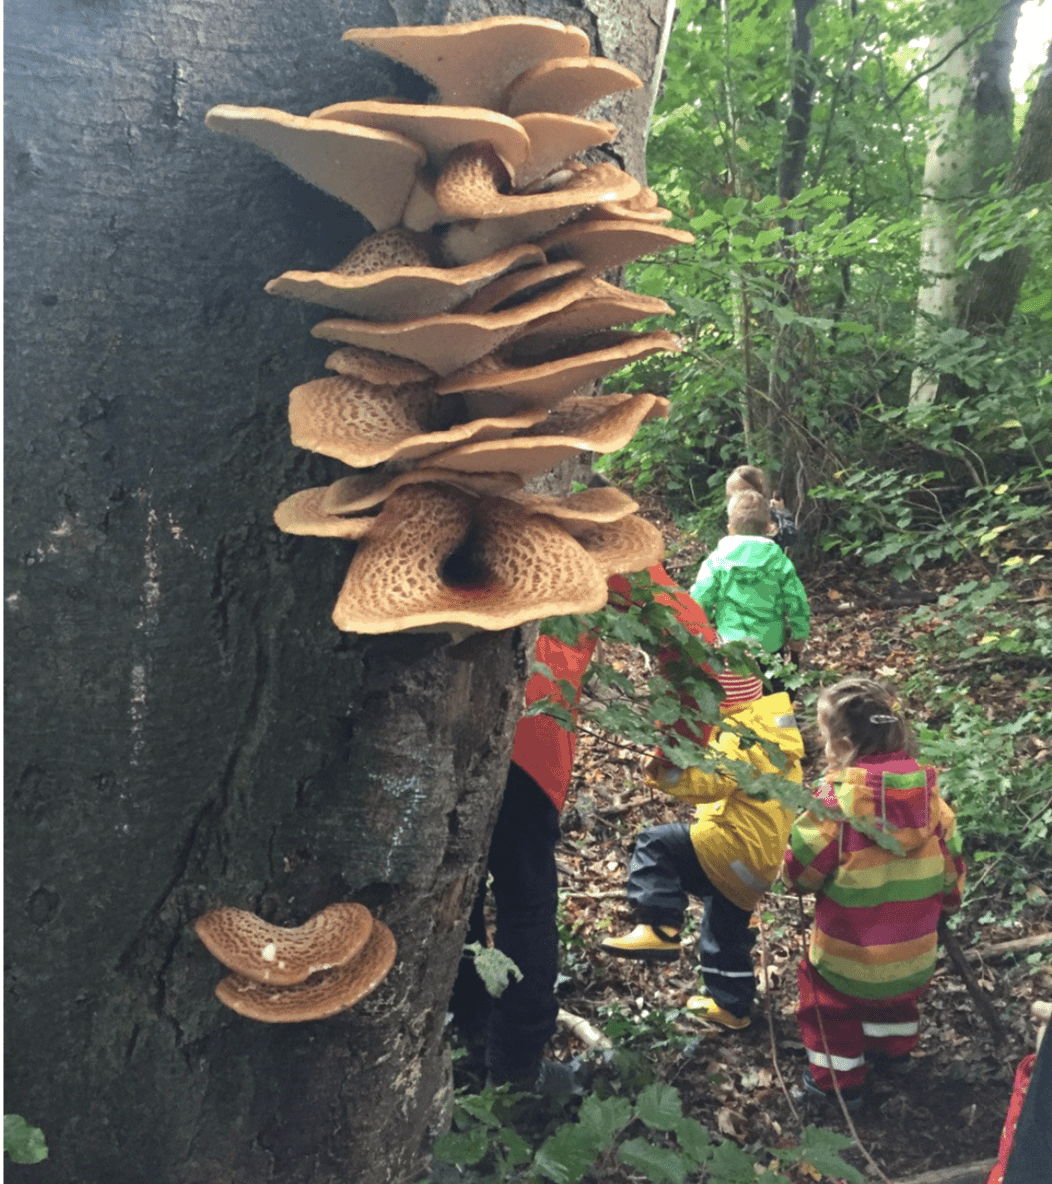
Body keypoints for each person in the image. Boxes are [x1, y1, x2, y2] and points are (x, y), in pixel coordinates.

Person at [449, 565, 716, 1091]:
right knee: (523, 899)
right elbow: (691, 636)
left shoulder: (459, 496)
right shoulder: (588, 527)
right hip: (531, 734)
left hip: (441, 726)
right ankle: (513, 1070)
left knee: (459, 889)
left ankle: (469, 1042)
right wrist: (682, 741)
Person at [783, 677, 966, 1108]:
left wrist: (792, 874)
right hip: (913, 957)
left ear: (843, 744)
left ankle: (838, 1083)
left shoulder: (834, 803)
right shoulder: (932, 802)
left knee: (827, 1006)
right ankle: (893, 1054)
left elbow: (802, 871)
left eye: (825, 739)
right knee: (893, 998)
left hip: (846, 960)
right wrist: (945, 905)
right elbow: (951, 876)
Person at [598, 671, 804, 1031]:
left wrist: (665, 772)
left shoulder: (741, 735)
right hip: (758, 865)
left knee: (657, 844)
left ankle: (659, 926)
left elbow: (711, 782)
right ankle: (732, 1006)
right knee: (724, 930)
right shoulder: (776, 735)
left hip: (733, 847)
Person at [691, 488, 810, 676]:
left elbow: (700, 598)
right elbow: (796, 600)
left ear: (730, 527)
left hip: (731, 646)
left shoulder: (717, 560)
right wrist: (798, 635)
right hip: (770, 645)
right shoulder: (778, 561)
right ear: (767, 528)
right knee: (770, 695)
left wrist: (703, 634)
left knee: (738, 696)